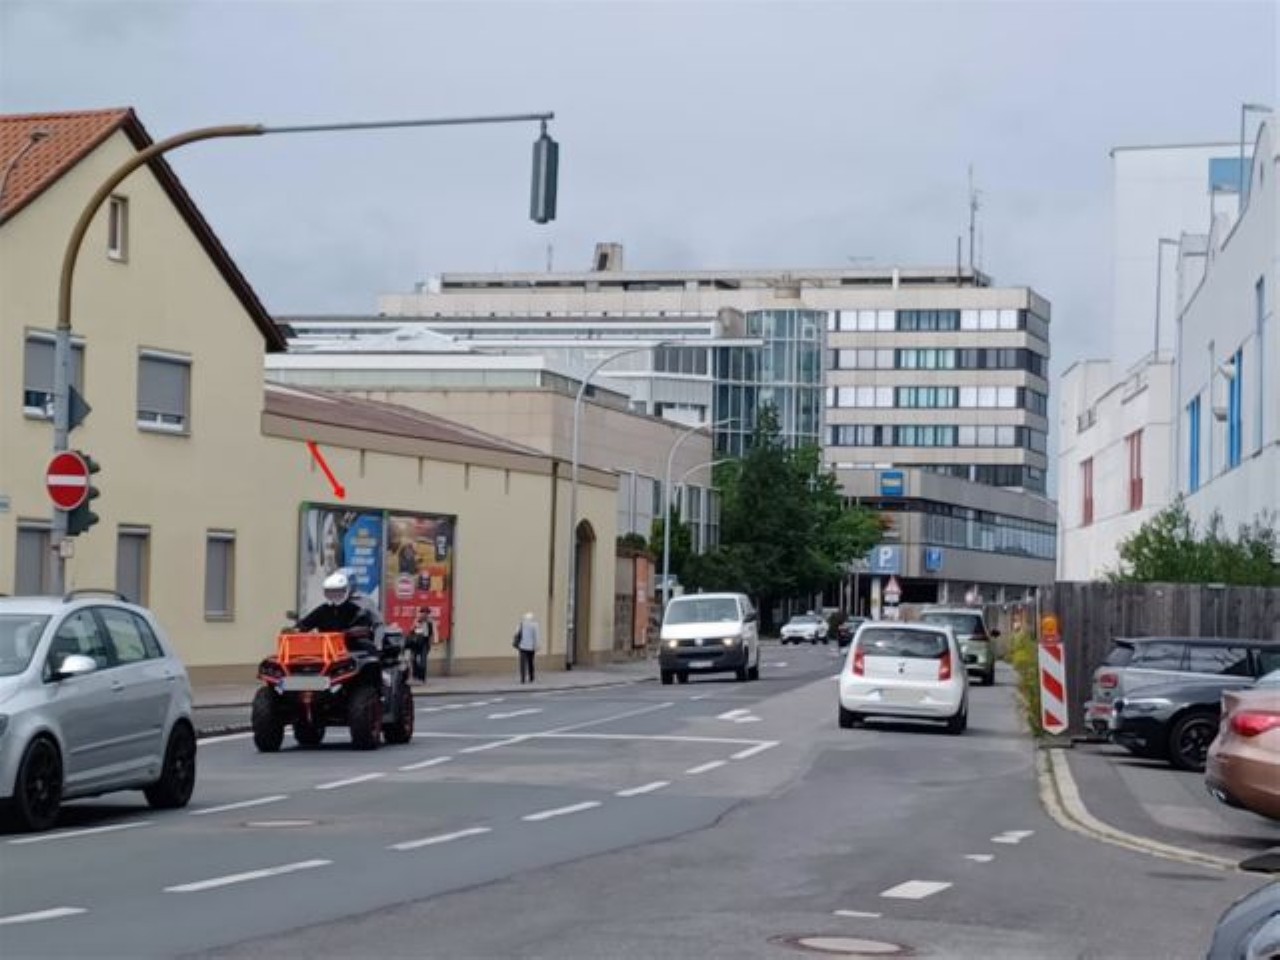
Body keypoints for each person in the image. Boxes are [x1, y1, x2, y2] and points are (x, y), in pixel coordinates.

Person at [297, 572, 379, 646]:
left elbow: (364, 629)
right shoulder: (322, 610)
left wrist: (347, 633)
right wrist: (295, 630)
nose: (334, 595)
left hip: (351, 649)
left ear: (346, 590)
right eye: (330, 591)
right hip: (326, 649)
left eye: (338, 591)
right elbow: (305, 625)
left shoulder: (356, 609)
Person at [407, 607, 434, 682]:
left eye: (427, 614)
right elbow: (411, 631)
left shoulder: (429, 623)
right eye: (423, 613)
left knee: (423, 661)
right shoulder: (416, 621)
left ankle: (422, 677)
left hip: (424, 643)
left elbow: (430, 634)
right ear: (420, 613)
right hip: (415, 642)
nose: (425, 615)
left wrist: (430, 644)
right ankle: (415, 675)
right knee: (413, 659)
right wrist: (415, 625)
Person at [515, 611, 540, 684]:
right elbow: (536, 636)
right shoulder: (535, 625)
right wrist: (537, 646)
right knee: (530, 662)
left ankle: (522, 678)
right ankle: (531, 677)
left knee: (522, 663)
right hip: (531, 647)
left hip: (522, 646)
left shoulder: (521, 624)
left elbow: (516, 633)